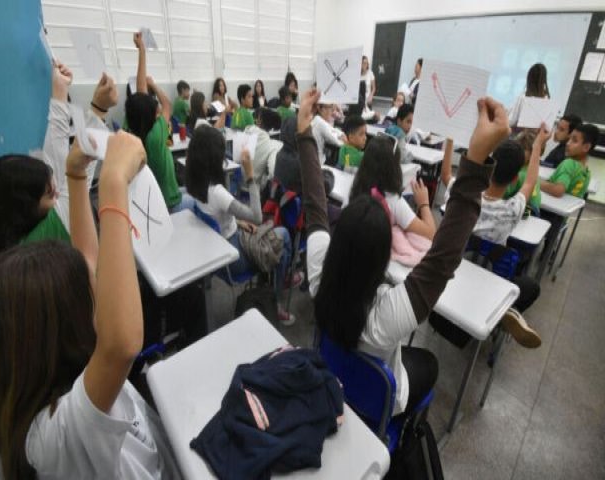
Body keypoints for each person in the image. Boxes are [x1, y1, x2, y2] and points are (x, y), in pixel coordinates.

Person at [0, 131, 182, 479]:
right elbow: (121, 344)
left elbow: (86, 258)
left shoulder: (62, 382)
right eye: (87, 292)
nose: (97, 288)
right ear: (60, 328)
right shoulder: (55, 435)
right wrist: (114, 184)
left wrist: (76, 175)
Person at [297, 87, 508, 417]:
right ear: (383, 254)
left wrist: (304, 132)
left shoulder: (318, 274)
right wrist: (476, 163)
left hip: (333, 377)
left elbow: (315, 204)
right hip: (382, 403)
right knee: (428, 363)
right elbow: (442, 258)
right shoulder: (385, 315)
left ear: (338, 241)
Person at [0, 63, 115, 265]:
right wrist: (97, 109)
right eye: (50, 194)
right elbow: (74, 176)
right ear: (25, 208)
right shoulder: (44, 238)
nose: (59, 192)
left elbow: (55, 161)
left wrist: (61, 92)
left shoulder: (5, 237)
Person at [440, 126, 551, 348]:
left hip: (450, 278)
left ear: (488, 168)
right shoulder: (512, 209)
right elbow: (530, 182)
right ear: (513, 180)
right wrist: (537, 145)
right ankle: (502, 314)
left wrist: (451, 134)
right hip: (485, 292)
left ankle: (503, 312)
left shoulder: (462, 194)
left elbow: (445, 175)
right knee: (530, 285)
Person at [185, 126, 299, 325]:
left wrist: (237, 222)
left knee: (270, 234)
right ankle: (276, 301)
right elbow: (257, 216)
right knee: (284, 237)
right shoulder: (217, 191)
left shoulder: (194, 184)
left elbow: (216, 216)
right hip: (234, 258)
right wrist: (250, 176)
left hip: (219, 251)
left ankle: (269, 279)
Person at [126, 32, 192, 213]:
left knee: (194, 191)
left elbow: (140, 93)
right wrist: (153, 85)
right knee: (204, 200)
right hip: (171, 203)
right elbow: (167, 105)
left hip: (156, 200)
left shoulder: (135, 130)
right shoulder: (155, 135)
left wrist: (142, 51)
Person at [350, 136, 436, 240]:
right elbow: (431, 234)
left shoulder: (355, 188)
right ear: (394, 168)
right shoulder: (393, 200)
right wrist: (424, 204)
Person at [540, 123, 598, 198]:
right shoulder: (586, 172)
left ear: (586, 147)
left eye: (574, 140)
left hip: (549, 208)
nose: (568, 143)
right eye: (569, 139)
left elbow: (558, 190)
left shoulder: (569, 164)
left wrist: (535, 181)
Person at [503, 131, 544, 216]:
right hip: (534, 210)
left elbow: (503, 192)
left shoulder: (521, 174)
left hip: (527, 212)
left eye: (522, 148)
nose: (517, 151)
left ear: (532, 154)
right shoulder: (532, 172)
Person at [508, 63, 550, 127]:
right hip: (538, 135)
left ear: (529, 78)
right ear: (544, 80)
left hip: (520, 135)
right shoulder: (547, 100)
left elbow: (511, 121)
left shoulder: (523, 98)